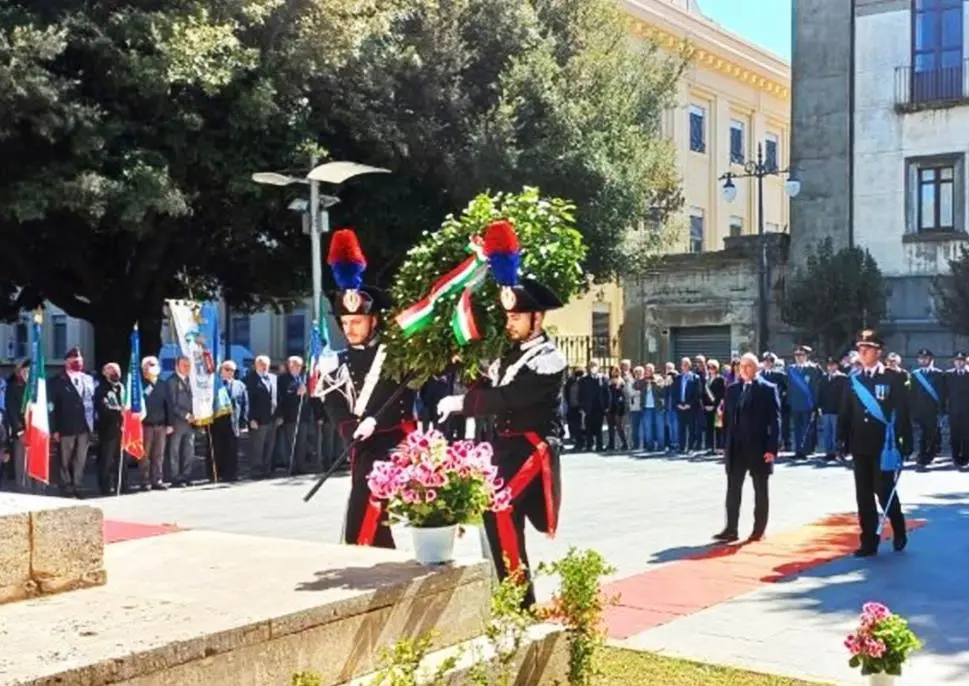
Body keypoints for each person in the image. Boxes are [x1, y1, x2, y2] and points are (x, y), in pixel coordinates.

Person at [437, 219, 565, 609]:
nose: (510, 323)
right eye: (508, 317)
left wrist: (462, 404)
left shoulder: (549, 358)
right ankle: (511, 596)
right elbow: (486, 382)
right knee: (496, 514)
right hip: (503, 448)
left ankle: (518, 602)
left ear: (537, 319)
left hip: (532, 447)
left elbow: (510, 398)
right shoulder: (510, 354)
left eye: (516, 317)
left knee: (500, 508)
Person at [320, 228, 416, 549]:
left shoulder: (397, 355)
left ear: (374, 320)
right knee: (365, 518)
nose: (349, 329)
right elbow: (334, 404)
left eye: (357, 322)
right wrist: (351, 429)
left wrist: (376, 420)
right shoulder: (335, 363)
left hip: (396, 442)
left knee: (368, 505)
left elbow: (405, 391)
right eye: (345, 323)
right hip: (362, 445)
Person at [837, 330, 912, 557]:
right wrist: (841, 439)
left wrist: (905, 442)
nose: (862, 352)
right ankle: (869, 541)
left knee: (884, 490)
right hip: (860, 444)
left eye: (867, 349)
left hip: (883, 445)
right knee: (863, 495)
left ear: (878, 352)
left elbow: (902, 411)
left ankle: (899, 529)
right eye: (860, 348)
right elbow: (845, 412)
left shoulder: (892, 378)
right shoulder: (854, 380)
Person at [715, 353, 781, 543]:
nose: (743, 370)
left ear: (757, 368)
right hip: (736, 448)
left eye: (748, 366)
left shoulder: (767, 389)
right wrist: (724, 444)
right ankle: (731, 529)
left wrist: (772, 448)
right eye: (741, 366)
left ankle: (758, 529)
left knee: (760, 489)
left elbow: (775, 420)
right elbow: (727, 419)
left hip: (759, 447)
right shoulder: (732, 389)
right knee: (733, 489)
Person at [48, 347, 95, 497]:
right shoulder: (56, 381)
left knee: (80, 459)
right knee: (65, 459)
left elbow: (92, 401)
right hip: (65, 427)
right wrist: (54, 429)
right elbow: (51, 407)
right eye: (74, 360)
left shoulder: (88, 379)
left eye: (79, 360)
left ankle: (77, 484)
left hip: (84, 426)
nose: (78, 362)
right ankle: (66, 485)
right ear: (66, 362)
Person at [140, 356, 172, 491]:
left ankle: (157, 479)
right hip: (145, 425)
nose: (155, 367)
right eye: (151, 364)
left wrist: (170, 424)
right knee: (145, 455)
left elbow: (168, 405)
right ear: (144, 368)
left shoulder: (163, 384)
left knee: (159, 455)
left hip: (161, 425)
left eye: (156, 364)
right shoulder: (140, 385)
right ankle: (145, 481)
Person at [212, 360, 248, 481]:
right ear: (221, 370)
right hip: (216, 421)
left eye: (233, 370)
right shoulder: (214, 384)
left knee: (232, 449)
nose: (230, 372)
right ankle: (216, 474)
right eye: (227, 369)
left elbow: (244, 404)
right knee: (217, 448)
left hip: (233, 422)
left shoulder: (240, 385)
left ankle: (231, 474)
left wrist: (243, 422)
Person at [94, 362, 126, 495]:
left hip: (123, 429)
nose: (115, 373)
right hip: (108, 429)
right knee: (106, 460)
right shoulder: (101, 389)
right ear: (105, 373)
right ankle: (105, 487)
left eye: (117, 370)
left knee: (122, 459)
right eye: (112, 370)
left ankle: (122, 485)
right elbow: (103, 409)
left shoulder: (122, 387)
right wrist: (119, 412)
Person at [947, 352, 969, 471]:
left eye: (961, 360)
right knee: (954, 435)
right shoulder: (948, 374)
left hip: (967, 410)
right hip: (953, 410)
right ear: (954, 362)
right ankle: (956, 458)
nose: (959, 362)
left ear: (965, 361)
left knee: (966, 435)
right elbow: (945, 392)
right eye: (957, 360)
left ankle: (965, 458)